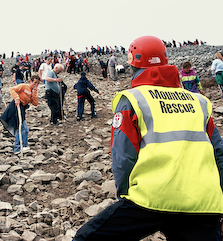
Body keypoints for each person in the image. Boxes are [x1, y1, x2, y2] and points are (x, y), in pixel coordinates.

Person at [74, 36, 223, 241]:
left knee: (86, 238)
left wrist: (125, 198)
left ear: (132, 64)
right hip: (203, 202)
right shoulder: (199, 102)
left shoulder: (134, 99)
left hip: (151, 200)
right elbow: (219, 154)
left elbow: (123, 157)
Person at [0, 75, 40, 154]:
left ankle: (23, 146)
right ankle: (18, 148)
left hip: (22, 109)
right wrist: (17, 98)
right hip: (15, 107)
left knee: (25, 129)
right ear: (31, 81)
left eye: (37, 83)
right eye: (34, 82)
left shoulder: (32, 92)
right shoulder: (23, 86)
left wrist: (35, 92)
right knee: (21, 128)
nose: (36, 85)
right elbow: (12, 90)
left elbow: (35, 103)